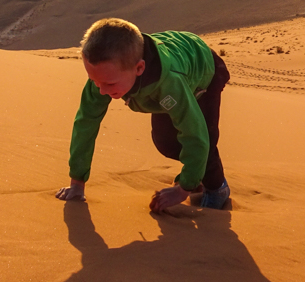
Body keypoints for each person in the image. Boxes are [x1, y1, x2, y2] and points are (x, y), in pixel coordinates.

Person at [55, 18, 231, 212]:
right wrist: (77, 182)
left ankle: (217, 189)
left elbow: (195, 135)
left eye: (110, 84)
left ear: (139, 68)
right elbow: (85, 123)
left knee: (205, 138)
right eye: (94, 80)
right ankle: (196, 176)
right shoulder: (105, 77)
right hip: (164, 77)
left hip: (203, 71)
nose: (101, 90)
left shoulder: (169, 83)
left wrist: (183, 189)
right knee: (166, 142)